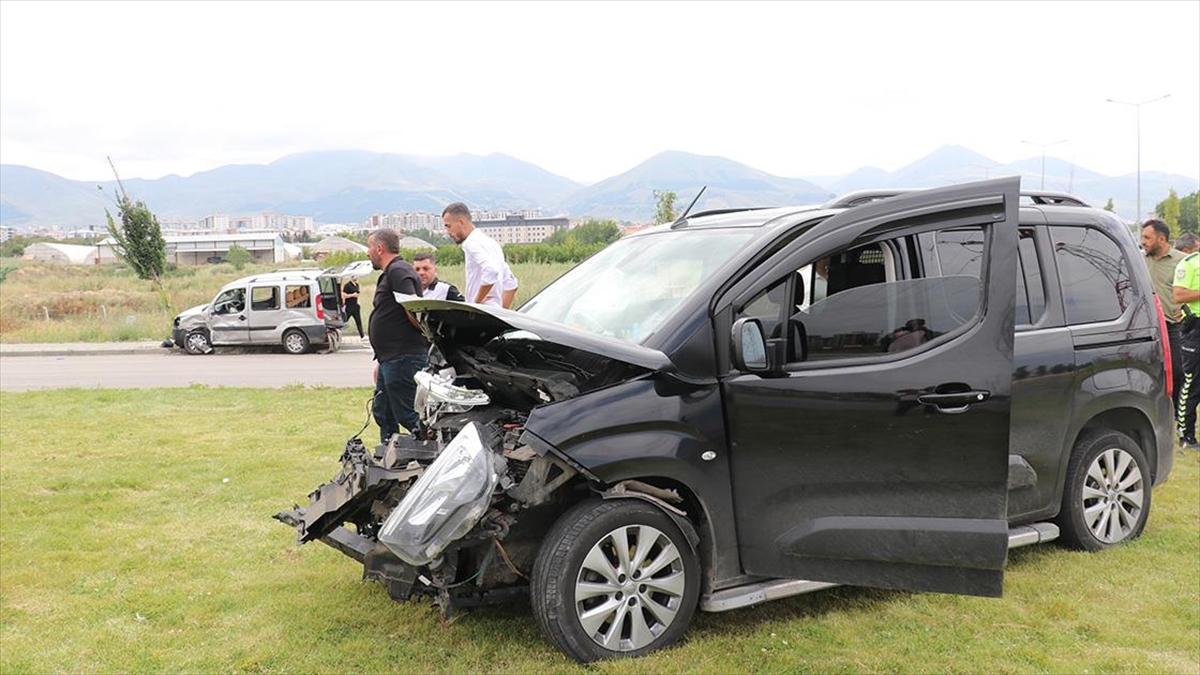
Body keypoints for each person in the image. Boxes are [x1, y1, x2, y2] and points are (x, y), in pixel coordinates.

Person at [366, 228, 427, 443]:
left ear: (379, 248)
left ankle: (433, 451)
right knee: (383, 411)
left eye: (369, 247)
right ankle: (390, 454)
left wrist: (418, 327)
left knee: (408, 415)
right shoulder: (391, 271)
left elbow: (414, 307)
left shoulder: (399, 270)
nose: (367, 253)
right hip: (389, 358)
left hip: (403, 356)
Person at [1142, 219, 1185, 408]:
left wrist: (1187, 311)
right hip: (1147, 327)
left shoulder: (1181, 261)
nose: (1143, 241)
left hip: (1174, 326)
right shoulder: (1140, 261)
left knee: (1177, 371)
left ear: (1161, 238)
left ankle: (1175, 411)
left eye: (1147, 237)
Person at [441, 202, 519, 308]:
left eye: (449, 226)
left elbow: (491, 271)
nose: (448, 232)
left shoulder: (470, 243)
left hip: (481, 315)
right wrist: (502, 312)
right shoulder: (492, 244)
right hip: (494, 313)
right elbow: (511, 284)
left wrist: (475, 303)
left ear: (461, 222)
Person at [1173, 245, 1200, 448]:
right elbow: (1179, 296)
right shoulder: (1190, 264)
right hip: (1195, 328)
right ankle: (1186, 435)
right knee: (1192, 382)